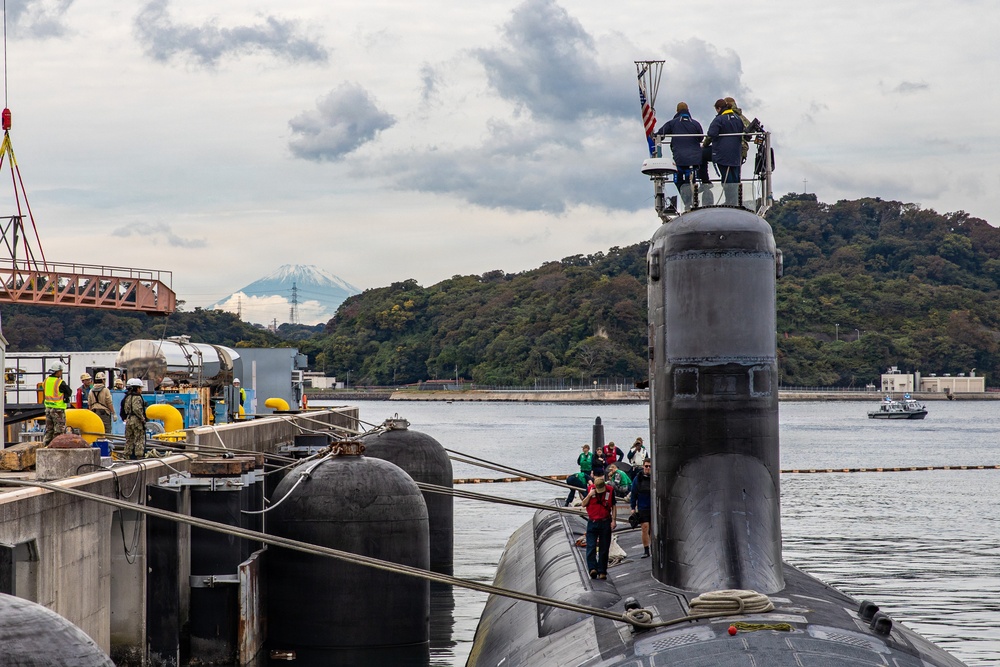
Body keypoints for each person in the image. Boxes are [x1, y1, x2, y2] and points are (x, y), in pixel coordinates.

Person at [657, 102, 704, 209]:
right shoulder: (695, 123)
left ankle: (686, 201)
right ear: (688, 110)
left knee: (678, 180)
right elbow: (701, 138)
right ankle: (693, 200)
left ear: (677, 111)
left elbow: (660, 134)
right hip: (694, 159)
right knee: (690, 180)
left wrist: (655, 138)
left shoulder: (673, 123)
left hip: (680, 159)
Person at [705, 98, 745, 206]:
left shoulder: (719, 119)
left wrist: (704, 145)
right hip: (736, 153)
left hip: (723, 154)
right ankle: (736, 200)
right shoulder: (738, 118)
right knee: (735, 177)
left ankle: (730, 201)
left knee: (727, 178)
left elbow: (712, 133)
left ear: (719, 108)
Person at [582, 474, 617, 580]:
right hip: (593, 522)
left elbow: (614, 505)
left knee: (604, 548)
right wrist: (589, 495)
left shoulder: (610, 490)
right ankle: (592, 568)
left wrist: (614, 520)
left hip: (605, 522)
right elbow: (583, 504)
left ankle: (602, 571)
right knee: (591, 546)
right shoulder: (589, 490)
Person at [42, 363, 72, 446]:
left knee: (49, 430)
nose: (61, 373)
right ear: (58, 372)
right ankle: (56, 448)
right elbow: (69, 392)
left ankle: (45, 447)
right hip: (57, 409)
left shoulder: (46, 381)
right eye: (61, 371)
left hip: (48, 408)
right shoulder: (60, 382)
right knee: (59, 431)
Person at [630, 458, 653, 558]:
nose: (647, 468)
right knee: (645, 528)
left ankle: (653, 548)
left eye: (649, 466)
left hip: (653, 507)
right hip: (643, 507)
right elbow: (633, 493)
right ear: (643, 466)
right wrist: (632, 507)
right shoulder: (638, 479)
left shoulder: (654, 478)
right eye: (646, 466)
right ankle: (646, 550)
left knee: (652, 529)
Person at [120, 378, 147, 460]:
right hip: (136, 420)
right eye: (140, 388)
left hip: (128, 419)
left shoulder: (126, 397)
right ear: (137, 388)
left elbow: (123, 409)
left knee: (129, 439)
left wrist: (124, 418)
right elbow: (136, 409)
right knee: (139, 438)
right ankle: (139, 456)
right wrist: (142, 418)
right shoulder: (137, 397)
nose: (141, 390)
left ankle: (127, 456)